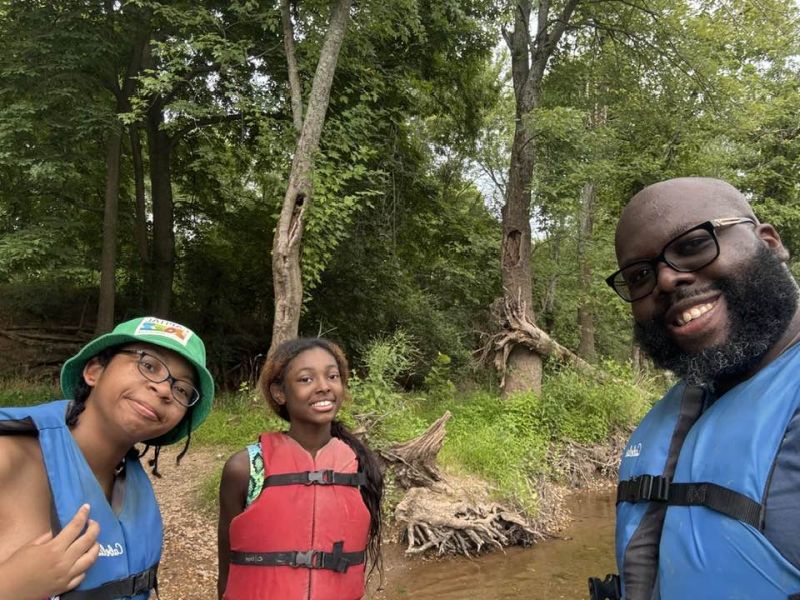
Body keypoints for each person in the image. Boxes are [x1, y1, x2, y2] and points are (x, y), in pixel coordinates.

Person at [594, 177, 800, 600]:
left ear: (769, 242)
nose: (667, 280)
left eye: (692, 246)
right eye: (640, 275)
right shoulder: (690, 401)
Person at [0, 316, 215, 600]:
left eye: (181, 390)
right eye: (148, 365)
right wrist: (12, 585)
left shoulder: (127, 482)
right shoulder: (7, 457)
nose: (164, 390)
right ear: (94, 371)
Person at [217, 338, 383, 600]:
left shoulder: (360, 466)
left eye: (332, 376)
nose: (324, 387)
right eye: (306, 379)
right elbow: (227, 572)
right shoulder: (245, 468)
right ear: (279, 393)